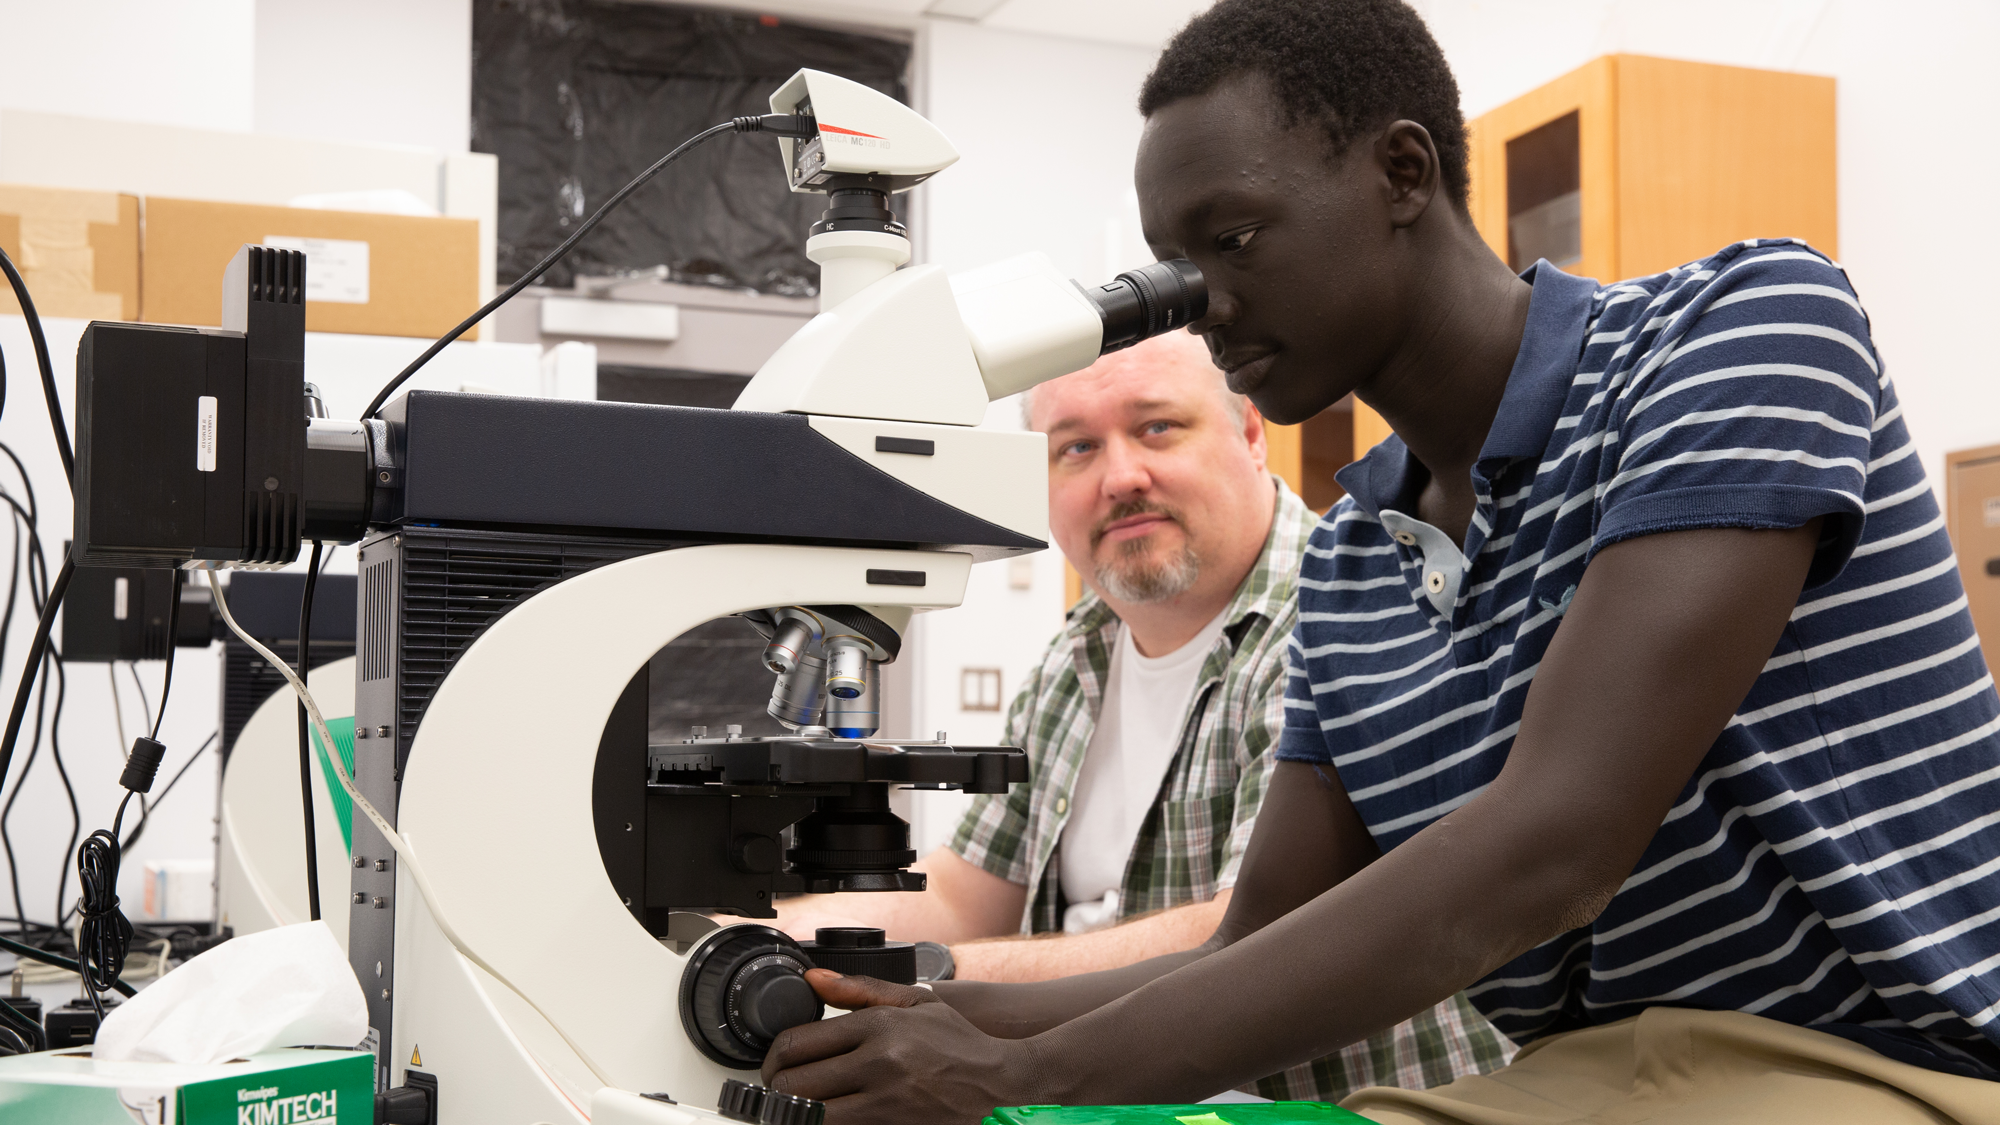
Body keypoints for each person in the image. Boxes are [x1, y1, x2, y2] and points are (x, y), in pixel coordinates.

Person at [756, 1, 2000, 1122]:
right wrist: (865, 1021)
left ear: (1400, 171)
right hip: (1585, 1083)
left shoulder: (1740, 333)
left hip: (1886, 1067)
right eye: (1176, 269)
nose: (1201, 306)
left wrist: (1019, 1078)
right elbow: (1249, 946)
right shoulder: (1357, 563)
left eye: (1232, 238)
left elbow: (1552, 844)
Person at [773, 328, 1512, 1100]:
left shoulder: (1343, 612)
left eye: (1157, 427)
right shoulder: (1078, 653)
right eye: (1076, 448)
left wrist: (925, 976)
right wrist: (764, 937)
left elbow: (1244, 934)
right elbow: (965, 891)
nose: (1121, 476)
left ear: (1251, 434)